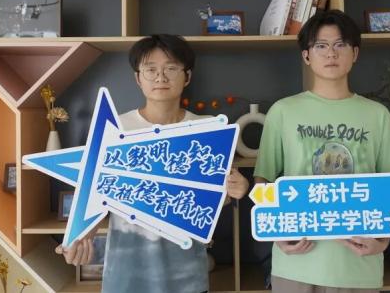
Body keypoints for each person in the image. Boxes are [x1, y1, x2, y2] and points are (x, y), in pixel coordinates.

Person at [55, 34, 249, 293]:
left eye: (171, 68)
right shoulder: (115, 129)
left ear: (187, 76)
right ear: (138, 78)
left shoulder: (208, 129)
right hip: (125, 273)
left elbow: (213, 199)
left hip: (187, 275)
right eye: (151, 69)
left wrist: (236, 189)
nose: (161, 77)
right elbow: (96, 195)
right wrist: (80, 237)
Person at [253, 10, 390, 293]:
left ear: (355, 53)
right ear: (306, 56)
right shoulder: (283, 111)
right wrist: (275, 232)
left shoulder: (377, 114)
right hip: (296, 263)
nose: (331, 53)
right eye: (321, 46)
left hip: (358, 264)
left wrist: (384, 241)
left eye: (340, 44)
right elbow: (263, 180)